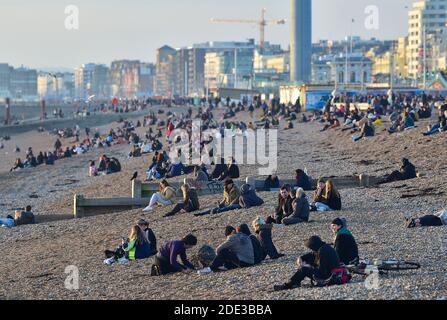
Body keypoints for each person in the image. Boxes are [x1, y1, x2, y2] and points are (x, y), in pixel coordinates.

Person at [273, 236, 350, 291]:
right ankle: (295, 282)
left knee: (304, 269)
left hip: (328, 276)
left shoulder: (323, 251)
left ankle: (289, 285)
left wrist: (308, 266)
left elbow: (322, 271)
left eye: (311, 247)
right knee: (308, 261)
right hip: (329, 272)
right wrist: (301, 258)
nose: (311, 249)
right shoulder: (323, 247)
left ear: (314, 246)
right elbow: (311, 255)